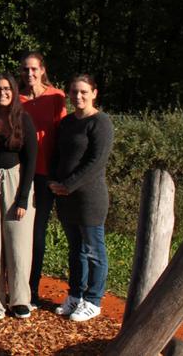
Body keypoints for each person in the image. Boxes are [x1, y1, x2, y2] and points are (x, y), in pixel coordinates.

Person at [50, 74, 114, 322]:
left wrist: (68, 184)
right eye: (74, 92)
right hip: (66, 198)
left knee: (94, 250)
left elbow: (96, 162)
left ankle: (93, 300)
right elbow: (58, 154)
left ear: (94, 93)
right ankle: (76, 295)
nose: (78, 96)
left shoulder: (100, 122)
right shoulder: (67, 122)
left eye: (84, 92)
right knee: (76, 250)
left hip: (90, 199)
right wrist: (55, 181)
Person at [0, 73, 37, 320]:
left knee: (18, 244)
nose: (1, 93)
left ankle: (20, 300)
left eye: (6, 89)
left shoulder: (23, 119)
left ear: (13, 92)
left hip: (16, 181)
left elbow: (31, 160)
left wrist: (23, 198)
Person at [18, 51, 67, 308]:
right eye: (25, 69)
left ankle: (32, 288)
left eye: (34, 69)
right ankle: (15, 286)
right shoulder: (17, 98)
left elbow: (63, 134)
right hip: (21, 173)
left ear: (42, 70)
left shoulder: (56, 97)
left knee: (37, 232)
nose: (30, 74)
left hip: (46, 173)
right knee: (18, 230)